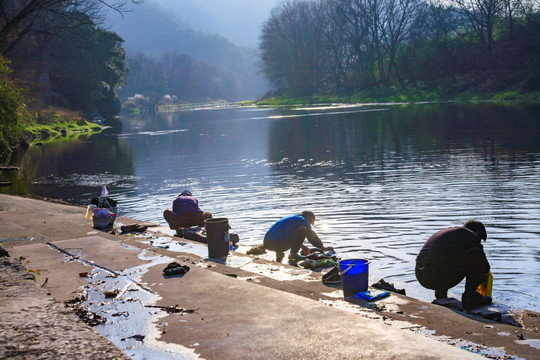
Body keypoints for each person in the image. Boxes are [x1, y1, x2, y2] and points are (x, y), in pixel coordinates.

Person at [415, 220, 492, 310]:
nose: (478, 242)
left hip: (421, 274)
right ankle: (470, 296)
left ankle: (441, 294)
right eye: (480, 240)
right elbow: (485, 266)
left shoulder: (450, 233)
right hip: (434, 277)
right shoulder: (470, 234)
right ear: (476, 233)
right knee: (477, 253)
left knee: (448, 257)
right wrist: (483, 277)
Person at [263, 210, 333, 263]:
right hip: (278, 244)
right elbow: (311, 237)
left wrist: (302, 246)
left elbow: (287, 234)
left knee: (291, 232)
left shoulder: (293, 218)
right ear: (309, 218)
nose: (310, 224)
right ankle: (293, 254)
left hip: (267, 243)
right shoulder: (304, 220)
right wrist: (322, 247)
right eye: (311, 223)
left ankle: (279, 254)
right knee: (304, 229)